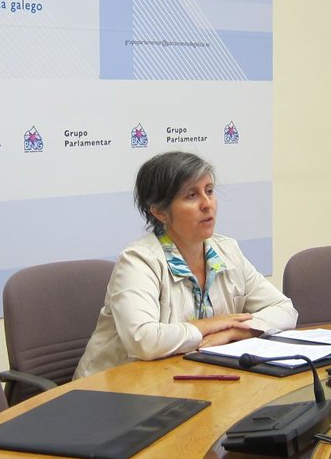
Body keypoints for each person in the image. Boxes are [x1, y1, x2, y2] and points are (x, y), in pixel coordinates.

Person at [74, 151, 297, 378]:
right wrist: (210, 325)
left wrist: (235, 331)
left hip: (186, 378)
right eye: (191, 195)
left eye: (209, 191)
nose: (207, 204)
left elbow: (285, 310)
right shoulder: (139, 260)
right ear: (159, 211)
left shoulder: (227, 251)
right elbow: (144, 340)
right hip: (113, 388)